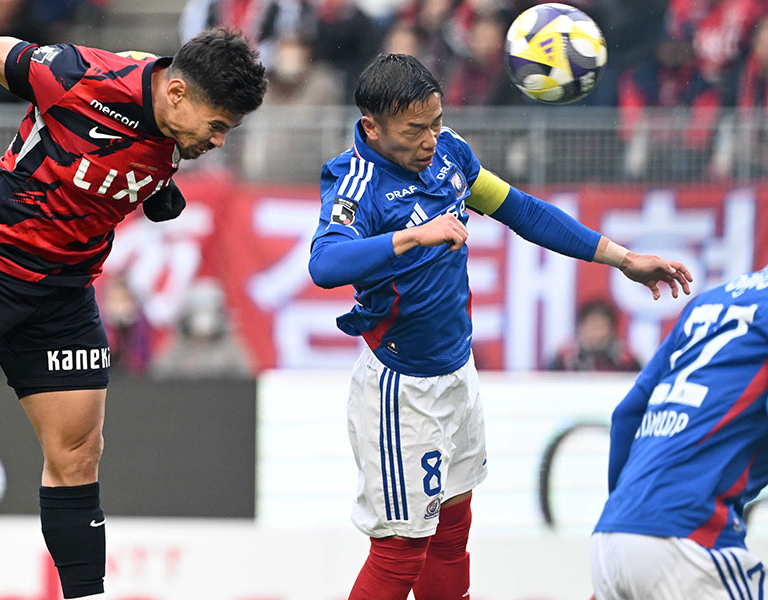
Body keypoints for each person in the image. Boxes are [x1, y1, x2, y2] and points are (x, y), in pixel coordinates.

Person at [0, 1, 267, 598]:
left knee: (78, 455)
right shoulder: (82, 76)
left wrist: (157, 185)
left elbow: (134, 157)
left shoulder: (174, 122)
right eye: (218, 125)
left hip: (64, 292)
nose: (218, 139)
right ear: (178, 93)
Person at [307, 53, 693, 600]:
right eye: (415, 129)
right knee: (399, 553)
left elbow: (522, 211)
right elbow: (324, 266)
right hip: (400, 388)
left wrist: (622, 259)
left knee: (453, 531)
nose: (431, 140)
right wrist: (413, 236)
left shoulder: (452, 158)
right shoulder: (354, 183)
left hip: (457, 374)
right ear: (372, 127)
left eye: (436, 123)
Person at [591, 265, 768, 599]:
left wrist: (627, 518)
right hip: (687, 544)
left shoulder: (709, 302)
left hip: (612, 538)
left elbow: (628, 414)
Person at [549, 299, 641, 372]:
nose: (596, 334)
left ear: (612, 329)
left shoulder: (626, 360)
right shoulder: (565, 359)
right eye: (592, 326)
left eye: (601, 327)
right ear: (581, 327)